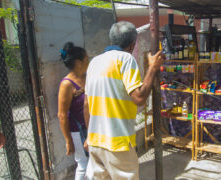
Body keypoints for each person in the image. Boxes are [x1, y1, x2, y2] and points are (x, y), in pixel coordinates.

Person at [84, 21, 164, 179]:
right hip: (117, 144)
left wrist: (89, 135)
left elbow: (86, 104)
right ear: (133, 44)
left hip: (95, 142)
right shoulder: (126, 59)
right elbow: (139, 98)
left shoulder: (94, 62)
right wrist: (153, 68)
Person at [57, 42, 89, 180]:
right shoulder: (67, 84)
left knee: (94, 162)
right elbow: (62, 115)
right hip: (78, 131)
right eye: (86, 59)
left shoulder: (86, 78)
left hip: (91, 127)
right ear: (78, 62)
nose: (89, 61)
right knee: (83, 163)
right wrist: (68, 140)